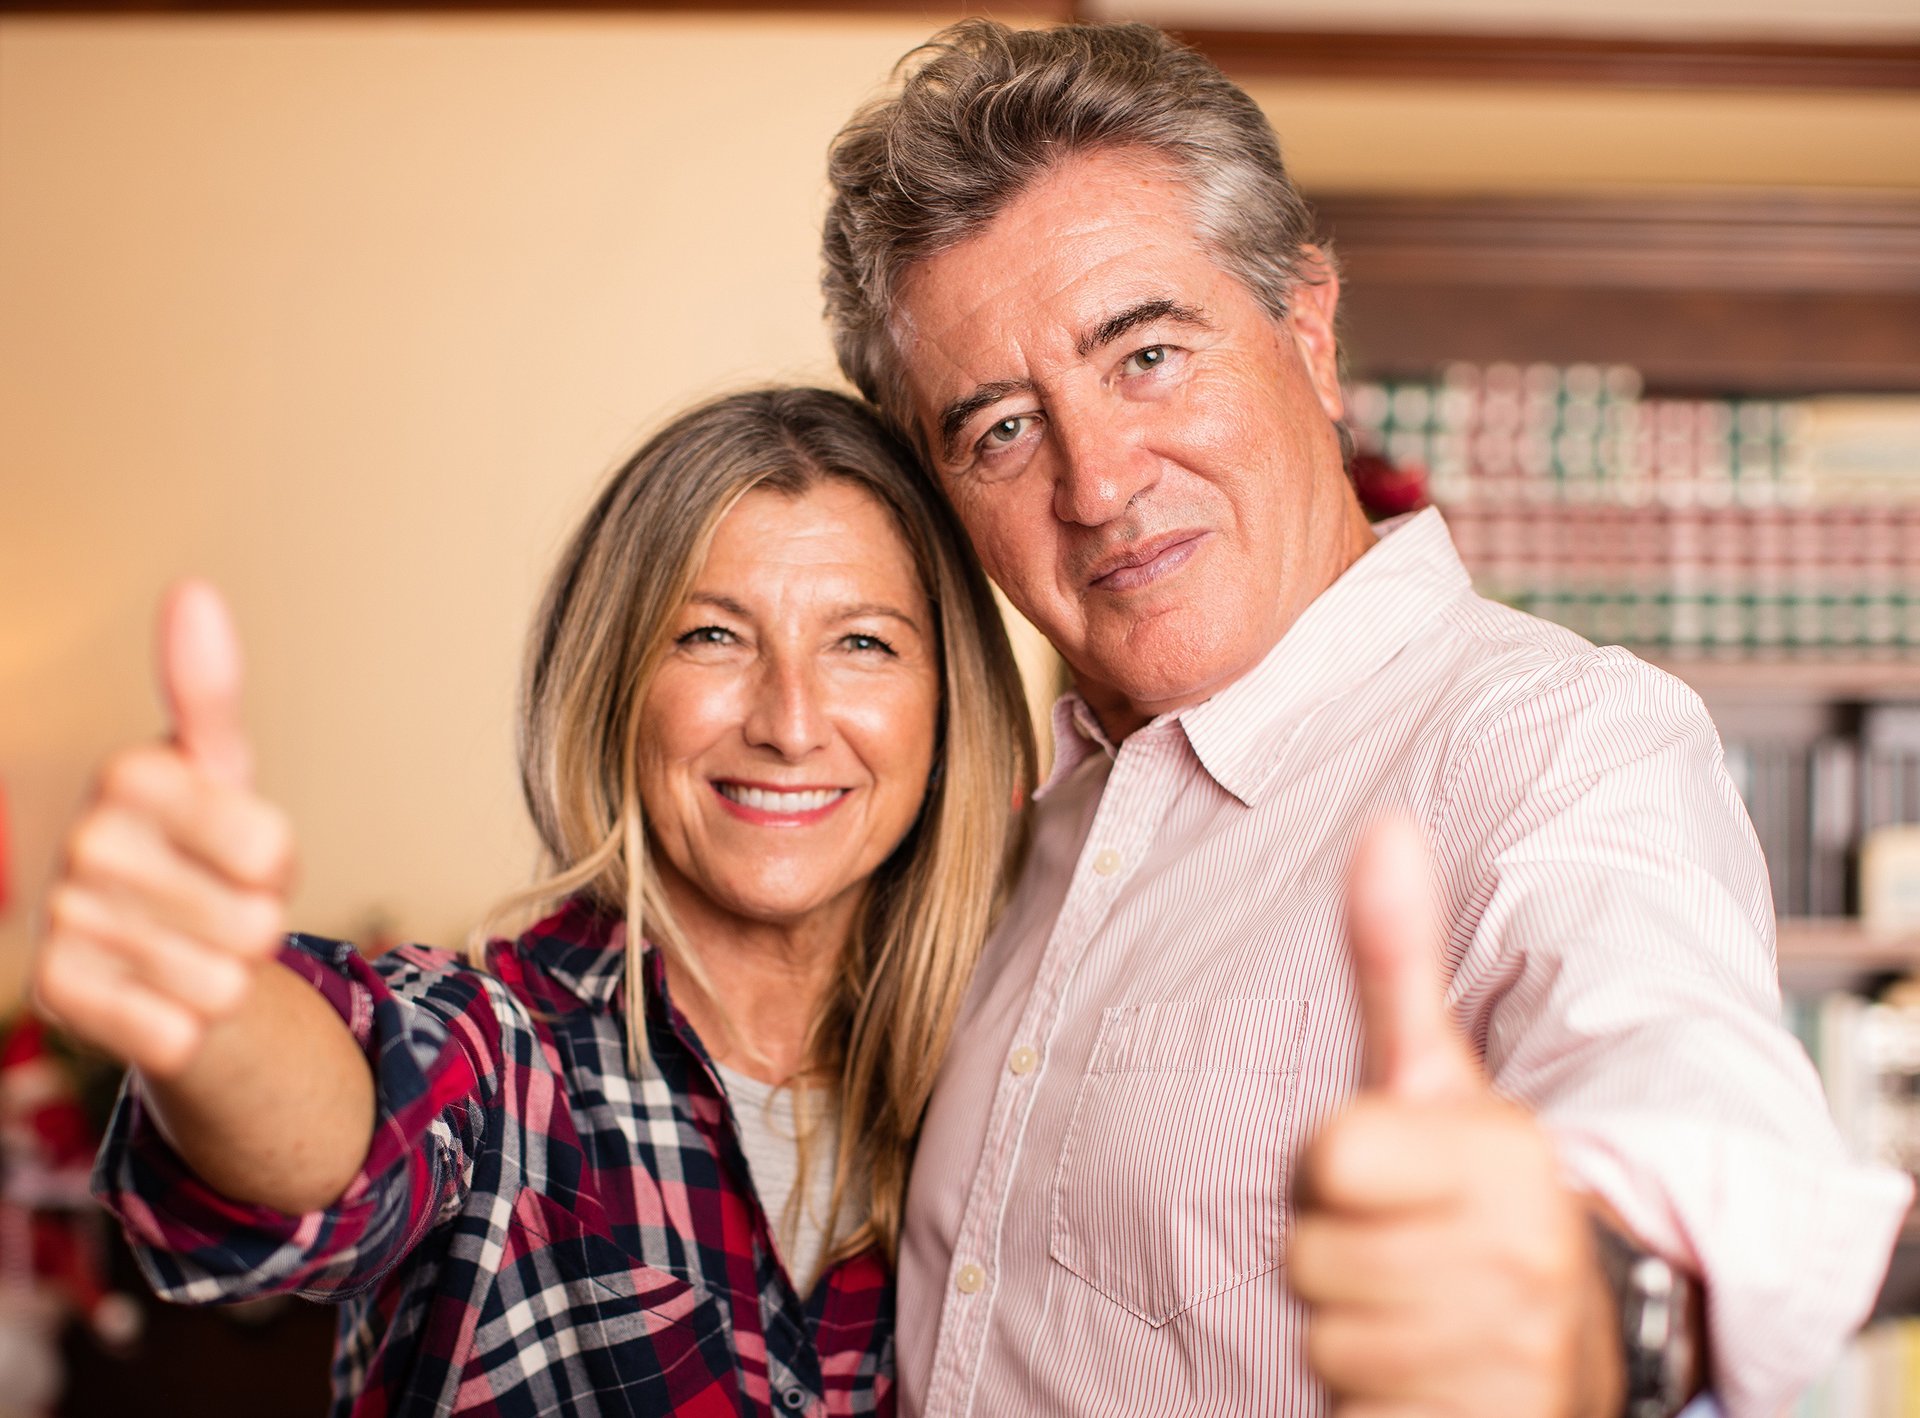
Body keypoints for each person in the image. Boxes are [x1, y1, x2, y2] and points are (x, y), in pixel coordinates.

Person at [818, 19, 1911, 1418]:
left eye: (1146, 354)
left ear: (1310, 334)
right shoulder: (1012, 835)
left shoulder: (1558, 738)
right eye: (1003, 429)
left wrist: (1585, 1300)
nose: (1097, 482)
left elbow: (1685, 1087)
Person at [32, 387, 1036, 1415]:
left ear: (947, 707)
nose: (789, 720)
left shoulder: (1008, 1066)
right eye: (711, 636)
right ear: (616, 683)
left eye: (863, 642)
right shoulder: (504, 1049)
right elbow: (354, 1119)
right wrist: (218, 1007)